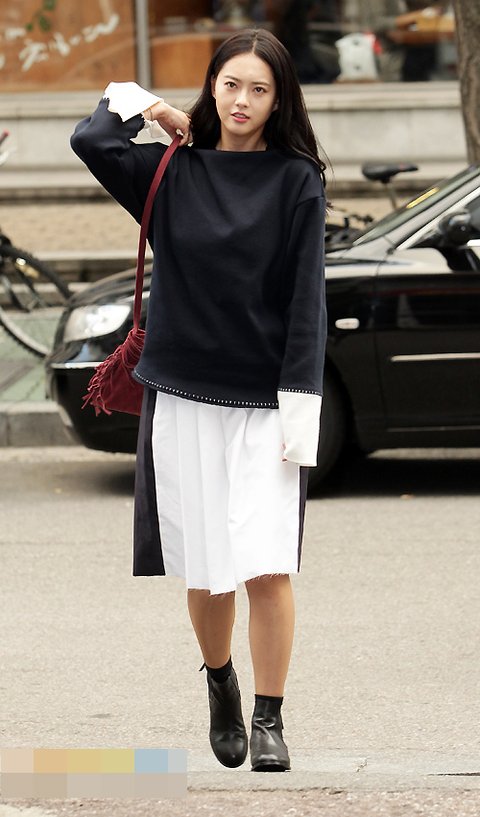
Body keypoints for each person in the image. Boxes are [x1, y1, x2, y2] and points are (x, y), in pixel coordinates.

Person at [71, 27, 327, 773]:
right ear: (211, 87)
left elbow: (306, 302)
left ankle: (270, 718)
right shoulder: (169, 171)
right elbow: (92, 137)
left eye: (259, 89)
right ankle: (220, 682)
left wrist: (301, 406)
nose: (242, 100)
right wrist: (153, 108)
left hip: (266, 400)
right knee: (208, 567)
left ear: (279, 101)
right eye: (231, 84)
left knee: (267, 564)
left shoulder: (297, 180)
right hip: (184, 395)